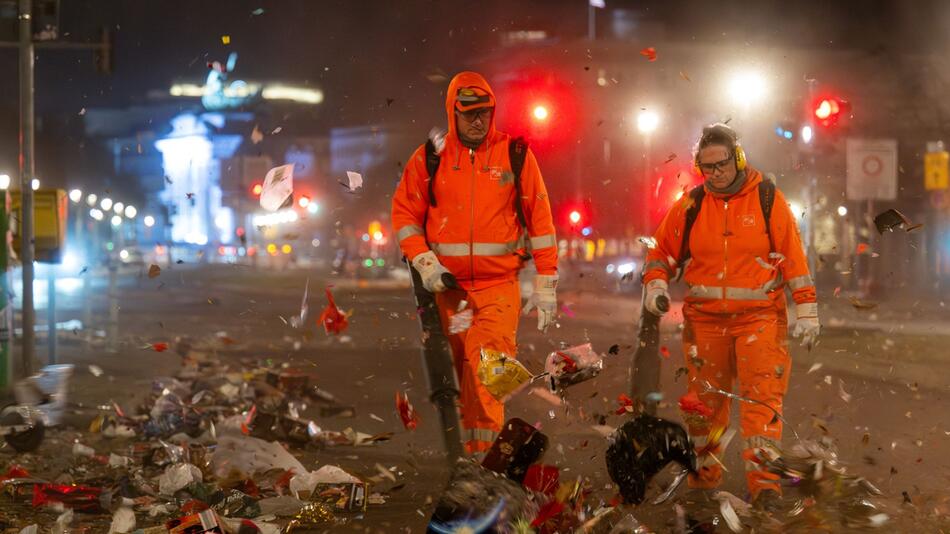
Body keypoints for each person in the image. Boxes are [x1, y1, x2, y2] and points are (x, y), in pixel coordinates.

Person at [641, 123, 820, 508]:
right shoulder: (690, 206)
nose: (714, 173)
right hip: (705, 322)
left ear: (737, 159)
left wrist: (807, 308)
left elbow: (794, 259)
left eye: (721, 165)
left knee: (762, 404)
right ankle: (704, 479)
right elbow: (660, 253)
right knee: (704, 407)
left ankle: (765, 487)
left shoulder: (768, 200)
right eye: (706, 168)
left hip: (760, 319)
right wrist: (656, 283)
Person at [391, 71, 559, 453]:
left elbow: (541, 222)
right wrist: (425, 261)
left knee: (486, 377)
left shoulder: (515, 155)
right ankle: (473, 464)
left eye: (484, 112)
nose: (478, 120)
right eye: (469, 113)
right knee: (467, 381)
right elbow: (404, 216)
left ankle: (483, 471)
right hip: (449, 293)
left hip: (498, 290)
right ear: (453, 112)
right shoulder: (430, 159)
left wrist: (547, 280)